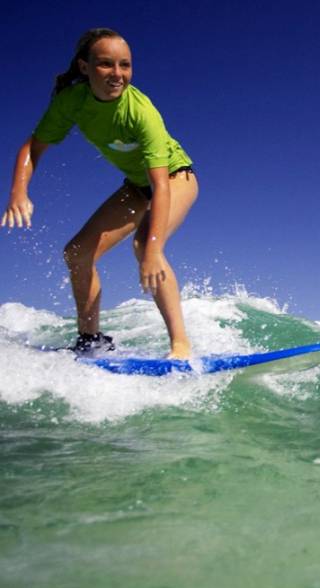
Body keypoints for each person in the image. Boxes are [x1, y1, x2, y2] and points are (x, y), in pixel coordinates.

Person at [2, 28, 198, 358]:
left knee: (144, 245)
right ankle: (90, 339)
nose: (117, 73)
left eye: (125, 65)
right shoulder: (72, 102)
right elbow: (33, 146)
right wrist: (19, 192)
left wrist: (153, 250)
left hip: (176, 178)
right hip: (136, 187)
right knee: (77, 253)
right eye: (106, 64)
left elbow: (161, 185)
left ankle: (180, 345)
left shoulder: (141, 111)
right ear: (85, 67)